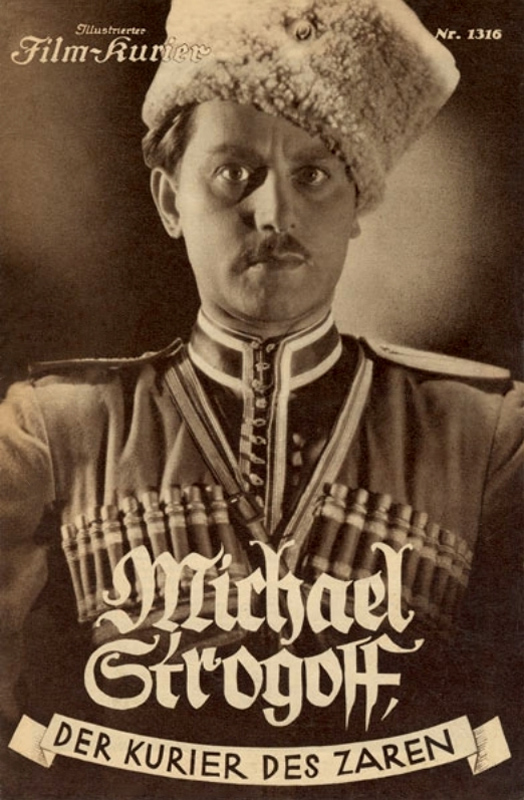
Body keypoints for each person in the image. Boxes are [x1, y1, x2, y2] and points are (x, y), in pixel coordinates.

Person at [0, 0, 522, 798]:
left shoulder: (487, 438)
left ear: (359, 207)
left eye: (314, 177)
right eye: (233, 174)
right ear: (169, 199)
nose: (273, 215)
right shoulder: (54, 430)